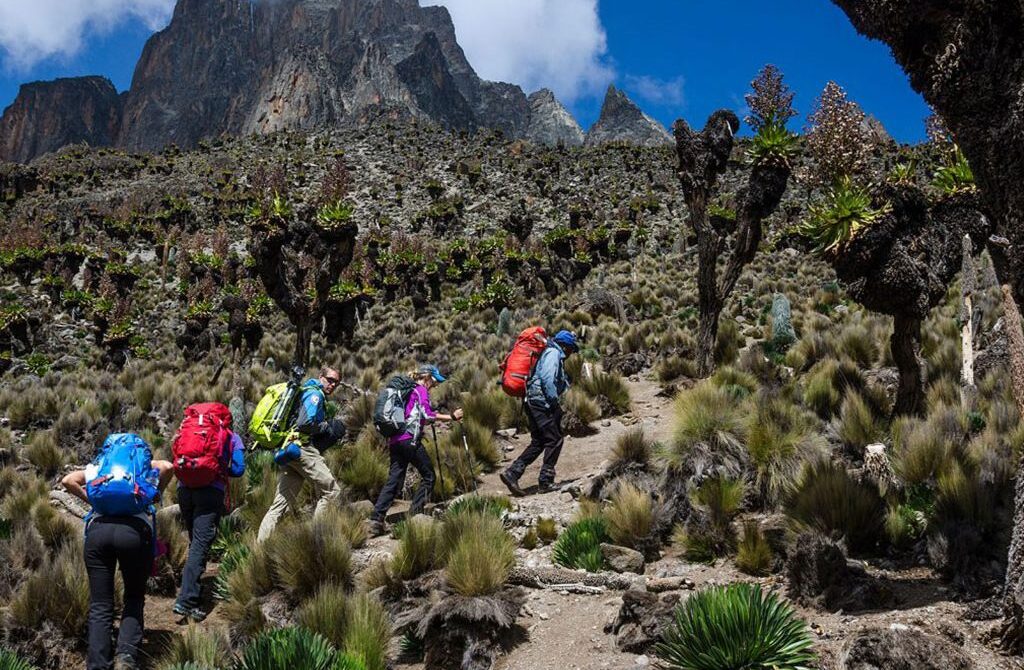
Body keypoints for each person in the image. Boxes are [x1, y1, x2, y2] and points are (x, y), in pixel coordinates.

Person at [62, 442, 174, 670]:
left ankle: (98, 664)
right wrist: (154, 495)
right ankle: (125, 657)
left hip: (98, 533)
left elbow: (67, 480)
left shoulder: (99, 467)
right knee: (133, 596)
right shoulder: (140, 466)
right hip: (134, 532)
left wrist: (91, 500)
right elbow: (168, 466)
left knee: (100, 603)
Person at [368, 364, 463, 535]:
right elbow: (427, 415)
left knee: (394, 480)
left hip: (395, 440)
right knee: (429, 476)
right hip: (409, 440)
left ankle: (376, 519)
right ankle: (415, 514)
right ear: (426, 377)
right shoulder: (420, 390)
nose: (435, 386)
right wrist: (451, 417)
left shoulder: (407, 391)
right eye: (434, 382)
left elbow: (418, 416)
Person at [256, 366, 348, 543]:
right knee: (331, 491)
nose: (332, 385)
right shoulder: (315, 395)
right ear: (321, 377)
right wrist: (325, 426)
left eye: (336, 382)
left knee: (280, 504)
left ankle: (260, 549)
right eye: (330, 380)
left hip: (289, 451)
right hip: (302, 449)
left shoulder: (304, 390)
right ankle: (317, 541)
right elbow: (304, 424)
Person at [172, 428, 245, 622]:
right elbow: (239, 469)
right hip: (210, 492)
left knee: (195, 541)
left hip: (184, 489)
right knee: (200, 544)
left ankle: (192, 591)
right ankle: (186, 601)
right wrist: (217, 468)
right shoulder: (232, 437)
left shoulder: (193, 429)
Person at [500, 329, 578, 496]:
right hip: (540, 401)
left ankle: (512, 473)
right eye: (571, 349)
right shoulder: (553, 353)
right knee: (555, 439)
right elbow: (547, 379)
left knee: (539, 442)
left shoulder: (549, 352)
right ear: (565, 346)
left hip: (532, 400)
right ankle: (546, 481)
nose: (572, 353)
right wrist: (554, 403)